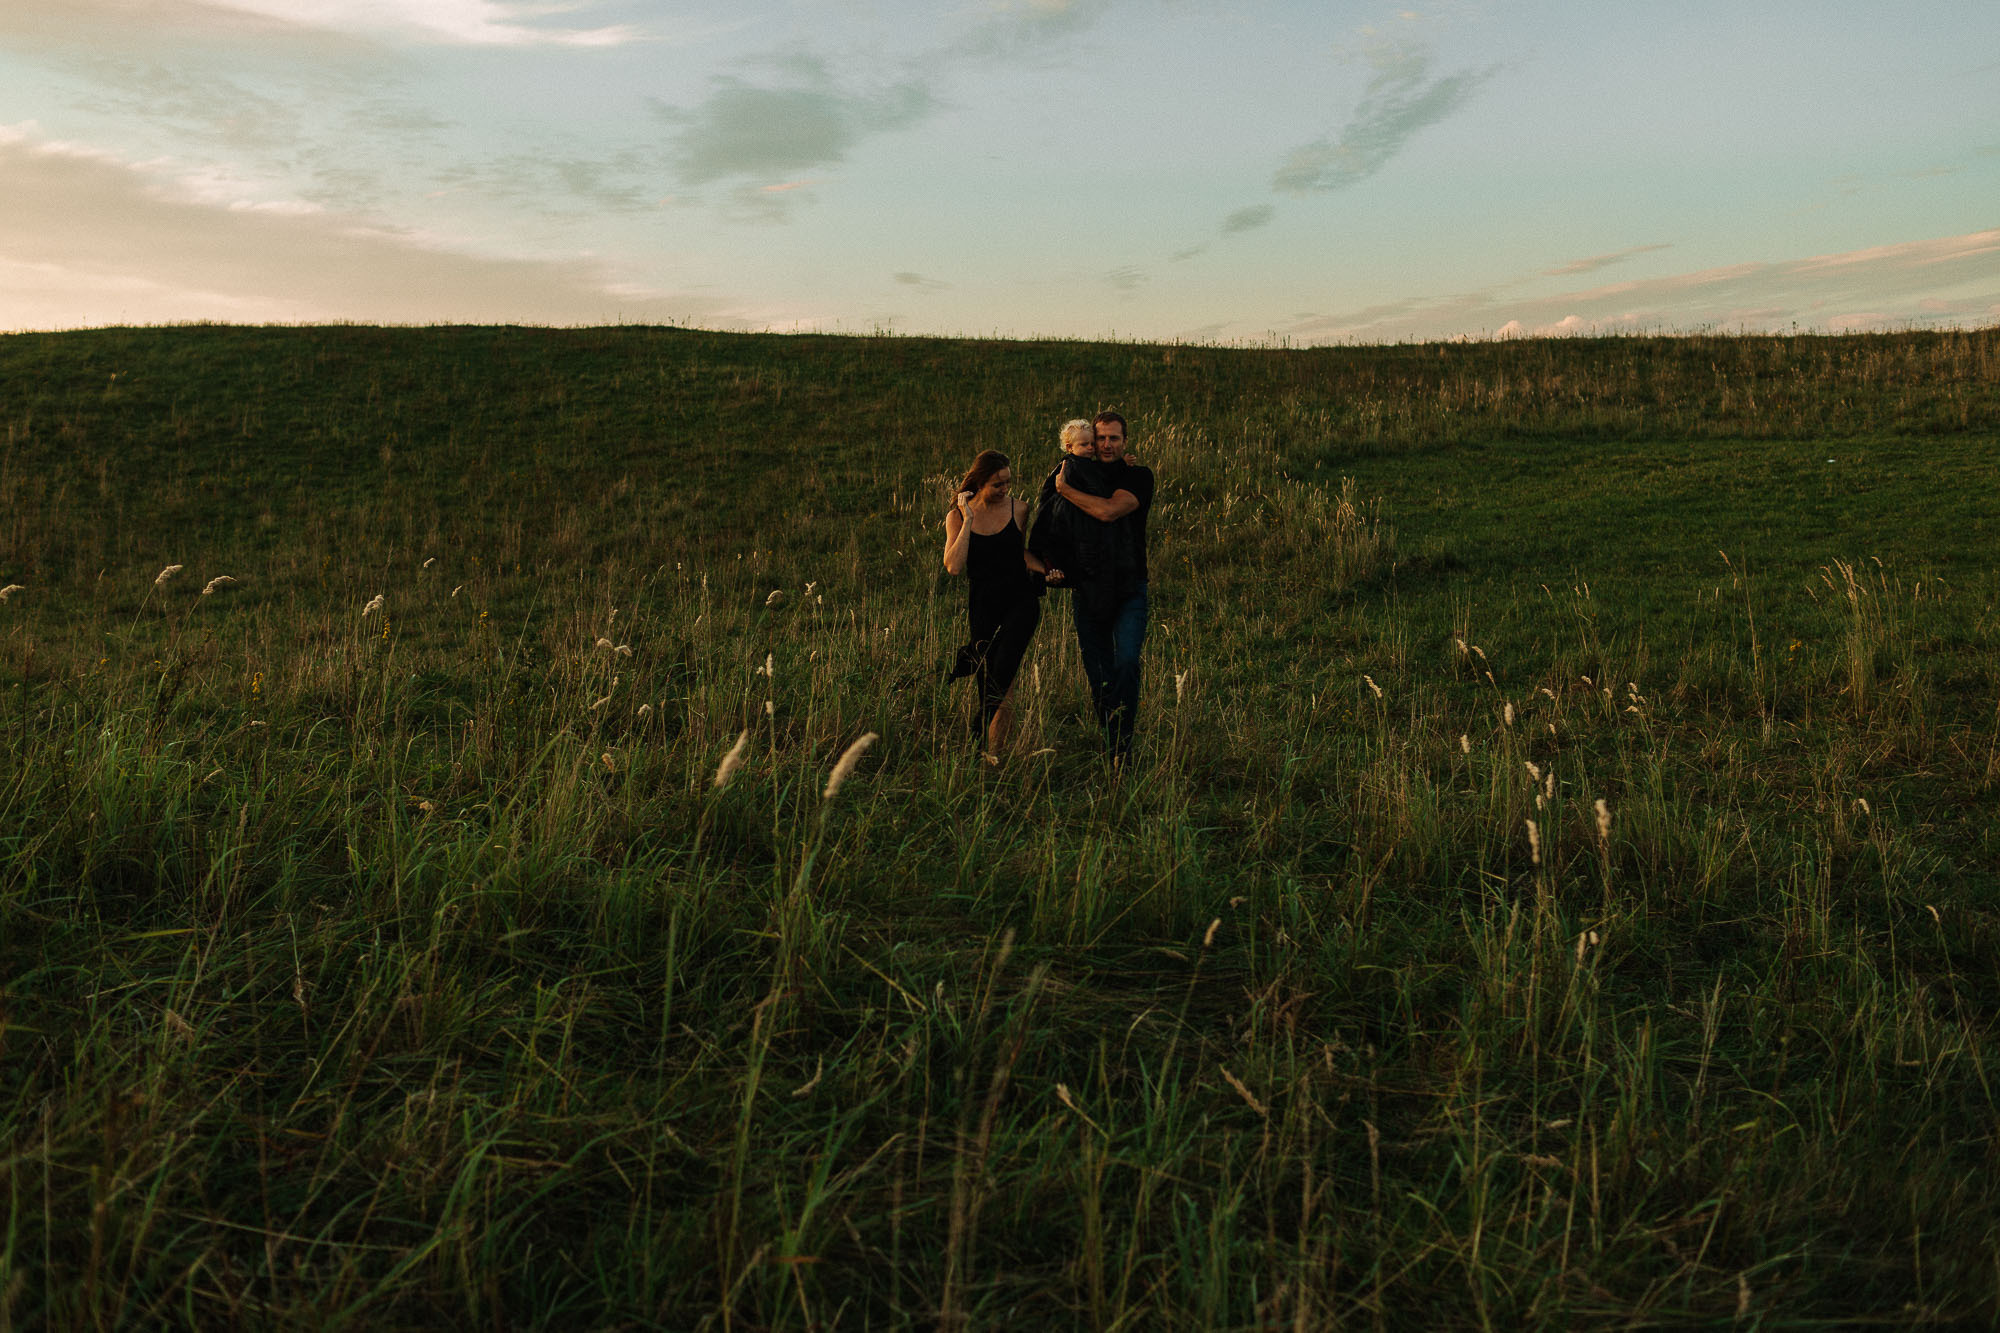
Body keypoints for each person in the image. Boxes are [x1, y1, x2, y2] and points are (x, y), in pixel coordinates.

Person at [1053, 412, 1154, 760]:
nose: (1107, 444)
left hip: (1129, 588)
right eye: (1101, 438)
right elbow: (1053, 521)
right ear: (1090, 443)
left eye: (1114, 438)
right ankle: (1115, 745)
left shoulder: (1138, 476)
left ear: (1125, 441)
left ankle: (1122, 744)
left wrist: (1066, 490)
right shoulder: (1079, 473)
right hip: (1088, 588)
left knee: (1126, 661)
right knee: (1099, 675)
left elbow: (1110, 511)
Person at [942, 449, 1052, 759]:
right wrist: (968, 520)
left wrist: (1052, 571)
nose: (1005, 490)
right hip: (983, 605)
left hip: (1020, 600)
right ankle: (988, 753)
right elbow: (954, 566)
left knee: (1004, 673)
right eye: (997, 484)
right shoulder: (957, 516)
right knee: (989, 676)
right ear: (978, 482)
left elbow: (1021, 554)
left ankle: (989, 745)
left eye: (1008, 483)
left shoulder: (1020, 509)